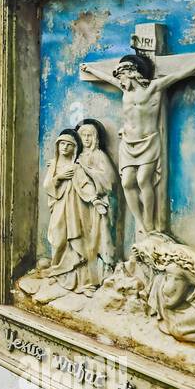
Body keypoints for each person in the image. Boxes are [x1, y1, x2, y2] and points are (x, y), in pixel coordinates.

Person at [82, 49, 195, 235]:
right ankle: (140, 223)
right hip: (128, 143)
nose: (120, 80)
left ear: (132, 73)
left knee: (142, 180)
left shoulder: (153, 88)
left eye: (122, 76)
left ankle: (149, 219)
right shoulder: (124, 90)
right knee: (127, 183)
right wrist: (90, 69)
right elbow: (107, 78)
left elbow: (179, 74)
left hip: (148, 141)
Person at [70, 119, 118, 288]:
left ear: (96, 138)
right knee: (87, 240)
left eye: (90, 135)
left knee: (102, 238)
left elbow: (110, 182)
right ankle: (89, 277)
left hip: (101, 205)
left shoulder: (99, 156)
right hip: (84, 206)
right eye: (83, 135)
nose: (87, 139)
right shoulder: (77, 158)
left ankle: (106, 274)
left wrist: (87, 170)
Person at [40, 129, 87, 287]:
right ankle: (56, 267)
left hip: (73, 207)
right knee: (57, 236)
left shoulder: (76, 166)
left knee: (71, 238)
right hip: (59, 206)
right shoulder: (54, 164)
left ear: (74, 148)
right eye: (62, 144)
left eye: (69, 145)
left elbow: (83, 184)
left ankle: (67, 271)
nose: (65, 147)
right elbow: (47, 185)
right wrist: (59, 177)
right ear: (57, 145)